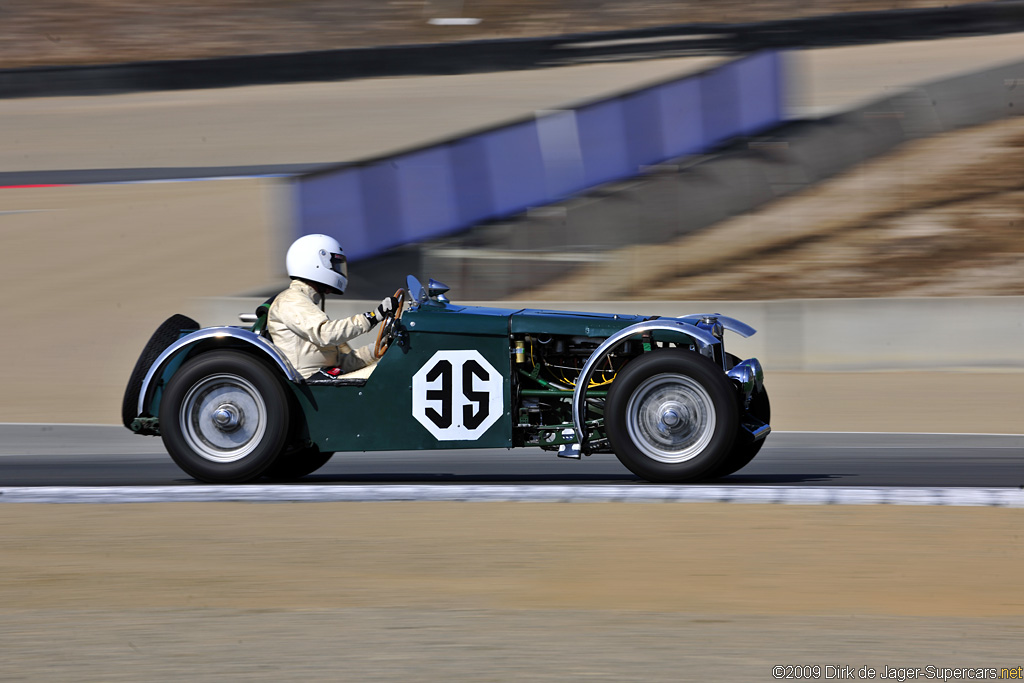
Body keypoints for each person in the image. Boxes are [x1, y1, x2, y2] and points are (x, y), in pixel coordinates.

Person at [267, 234, 399, 380]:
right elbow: (326, 334)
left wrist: (378, 347)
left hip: (324, 379)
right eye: (335, 265)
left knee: (393, 368)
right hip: (309, 383)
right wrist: (373, 317)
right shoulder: (291, 301)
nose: (339, 270)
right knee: (392, 374)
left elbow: (342, 364)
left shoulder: (306, 303)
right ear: (315, 262)